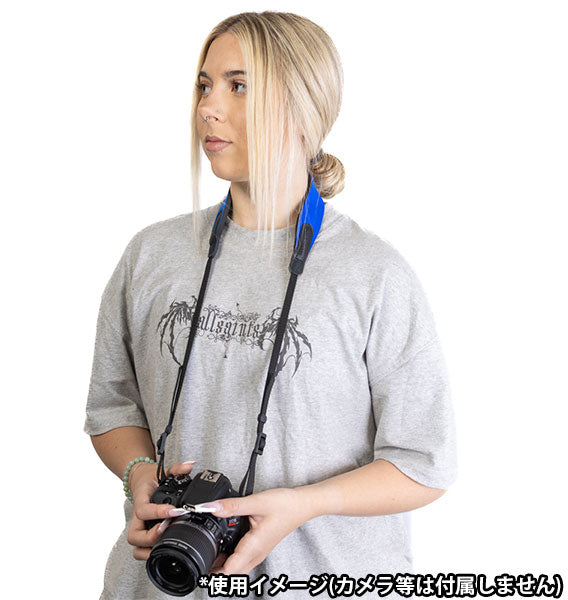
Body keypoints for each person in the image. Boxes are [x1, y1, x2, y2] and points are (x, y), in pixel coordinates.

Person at [84, 11, 457, 600]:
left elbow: (423, 463)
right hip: (156, 584)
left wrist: (305, 504)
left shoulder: (374, 275)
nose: (208, 107)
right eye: (204, 85)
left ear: (302, 107)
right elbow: (111, 407)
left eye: (239, 86)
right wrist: (139, 473)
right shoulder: (150, 254)